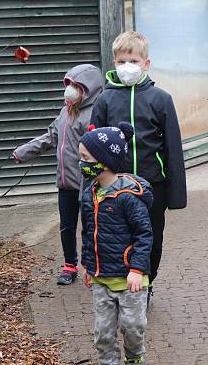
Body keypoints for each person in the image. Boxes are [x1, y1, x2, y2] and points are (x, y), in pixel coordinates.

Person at [90, 31, 187, 306]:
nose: (126, 66)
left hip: (152, 186)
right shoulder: (104, 100)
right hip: (113, 187)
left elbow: (173, 148)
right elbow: (92, 146)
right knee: (118, 238)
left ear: (146, 63)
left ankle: (147, 281)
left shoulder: (161, 99)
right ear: (113, 62)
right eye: (121, 61)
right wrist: (91, 187)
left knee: (151, 239)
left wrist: (175, 194)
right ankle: (121, 285)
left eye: (133, 60)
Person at [12, 64, 103, 285]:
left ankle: (89, 266)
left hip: (86, 183)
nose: (69, 90)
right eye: (69, 84)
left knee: (90, 227)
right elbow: (50, 136)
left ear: (88, 89)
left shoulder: (93, 115)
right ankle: (69, 265)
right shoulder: (65, 112)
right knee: (66, 226)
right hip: (65, 183)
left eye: (76, 86)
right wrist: (22, 153)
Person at [79, 123, 153, 365]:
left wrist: (136, 269)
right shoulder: (89, 194)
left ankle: (134, 357)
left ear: (104, 161)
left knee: (132, 327)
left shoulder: (129, 198)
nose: (81, 163)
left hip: (129, 278)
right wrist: (87, 266)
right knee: (103, 333)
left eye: (85, 158)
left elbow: (144, 235)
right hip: (101, 277)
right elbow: (88, 232)